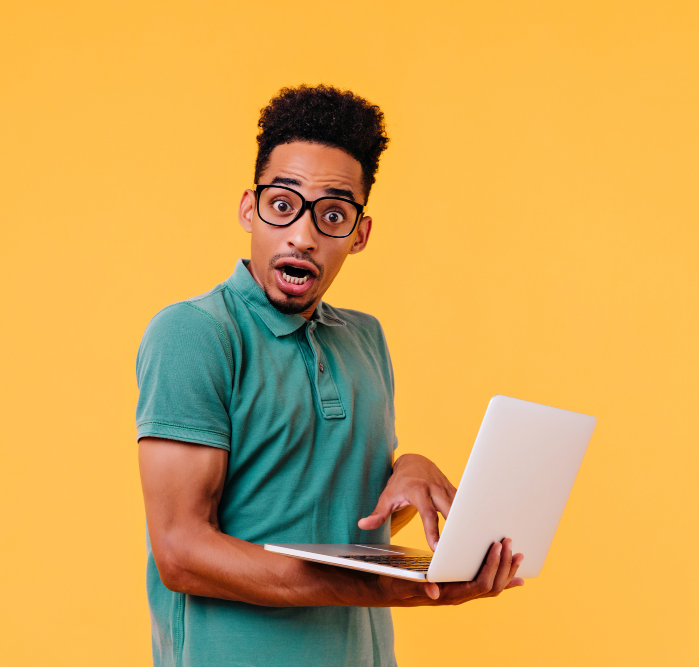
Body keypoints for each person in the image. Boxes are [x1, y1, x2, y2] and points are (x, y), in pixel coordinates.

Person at [135, 84, 524, 667]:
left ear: (359, 235)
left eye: (333, 215)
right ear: (250, 208)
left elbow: (344, 529)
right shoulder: (195, 334)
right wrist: (404, 591)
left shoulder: (364, 339)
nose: (303, 235)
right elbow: (181, 551)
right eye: (283, 205)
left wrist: (407, 474)